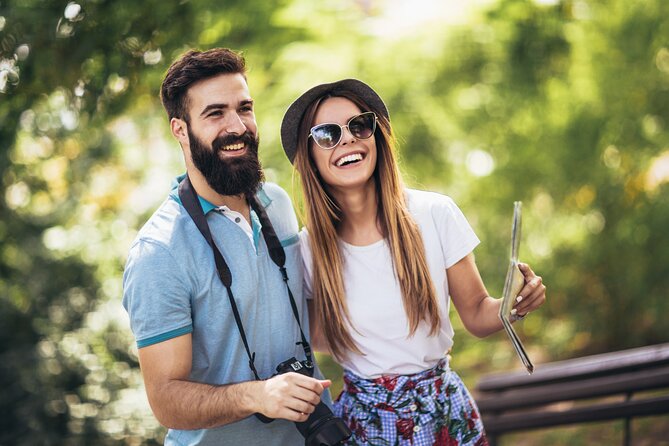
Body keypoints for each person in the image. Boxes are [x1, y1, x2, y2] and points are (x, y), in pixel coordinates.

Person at [280, 79, 547, 445]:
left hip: (444, 414)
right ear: (309, 157)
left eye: (359, 125)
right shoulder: (307, 252)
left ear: (377, 136)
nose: (347, 139)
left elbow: (478, 315)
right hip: (366, 427)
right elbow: (314, 339)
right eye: (327, 134)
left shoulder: (434, 213)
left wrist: (512, 308)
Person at [122, 48, 333, 445]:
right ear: (180, 130)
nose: (237, 126)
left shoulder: (279, 205)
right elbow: (165, 400)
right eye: (215, 113)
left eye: (245, 108)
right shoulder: (158, 251)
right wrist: (258, 396)